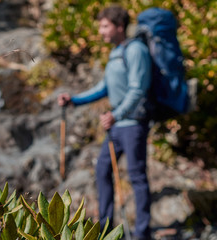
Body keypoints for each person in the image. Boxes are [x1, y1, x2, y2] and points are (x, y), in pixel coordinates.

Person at [58, 5, 152, 240]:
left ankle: (142, 233)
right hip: (116, 125)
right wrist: (75, 100)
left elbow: (137, 89)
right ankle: (106, 229)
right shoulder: (116, 52)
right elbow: (105, 88)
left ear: (120, 27)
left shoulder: (136, 50)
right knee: (102, 170)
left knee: (136, 175)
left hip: (133, 124)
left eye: (105, 26)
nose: (100, 31)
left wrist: (117, 114)